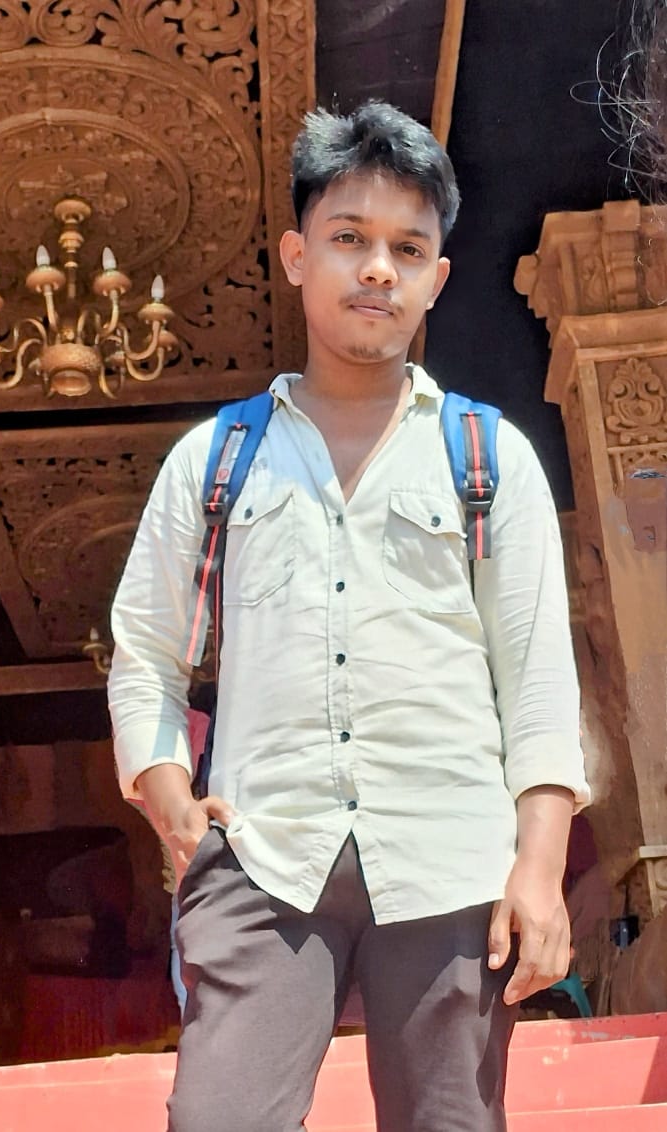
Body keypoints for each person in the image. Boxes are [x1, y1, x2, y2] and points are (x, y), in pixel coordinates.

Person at [108, 101, 590, 1132]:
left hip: (452, 861)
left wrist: (540, 868)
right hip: (263, 857)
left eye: (406, 249)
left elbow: (538, 678)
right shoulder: (215, 460)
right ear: (296, 256)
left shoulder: (487, 458)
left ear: (436, 279)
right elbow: (144, 652)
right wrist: (172, 807)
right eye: (348, 238)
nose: (377, 268)